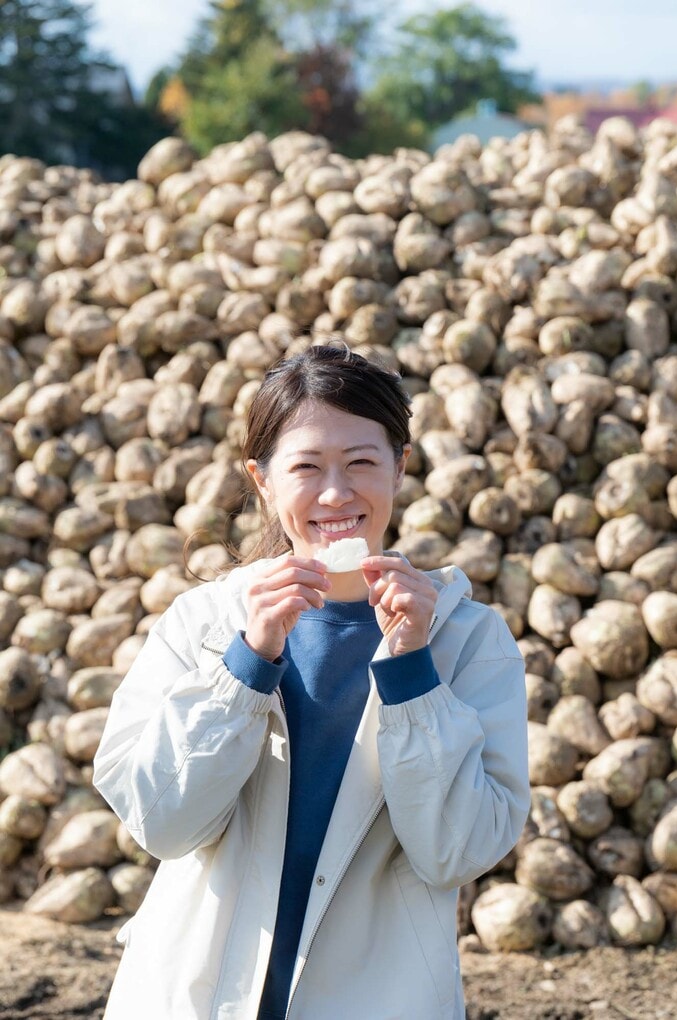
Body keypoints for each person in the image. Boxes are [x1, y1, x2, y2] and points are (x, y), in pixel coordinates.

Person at [93, 344, 530, 1020]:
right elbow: (161, 824)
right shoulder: (203, 622)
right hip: (193, 995)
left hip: (380, 1001)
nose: (335, 494)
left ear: (400, 466)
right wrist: (246, 664)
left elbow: (458, 852)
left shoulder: (468, 640)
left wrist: (412, 669)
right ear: (262, 480)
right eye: (305, 467)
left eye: (361, 463)